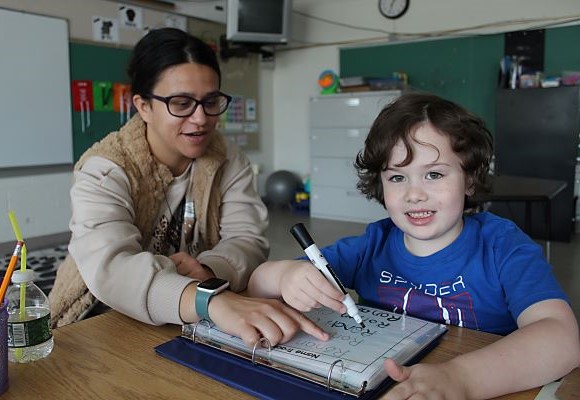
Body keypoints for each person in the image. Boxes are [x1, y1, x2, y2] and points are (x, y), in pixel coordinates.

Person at [248, 92, 580, 398]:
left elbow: (562, 339)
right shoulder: (371, 247)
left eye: (434, 174)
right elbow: (258, 287)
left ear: (470, 178)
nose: (414, 193)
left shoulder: (503, 247)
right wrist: (284, 274)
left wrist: (460, 379)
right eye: (397, 177)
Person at [49, 27, 327, 347]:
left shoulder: (227, 160)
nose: (200, 119)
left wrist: (208, 268)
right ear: (143, 106)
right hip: (106, 321)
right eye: (181, 103)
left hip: (198, 322)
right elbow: (113, 270)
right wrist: (206, 298)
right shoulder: (105, 168)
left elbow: (247, 240)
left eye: (211, 101)